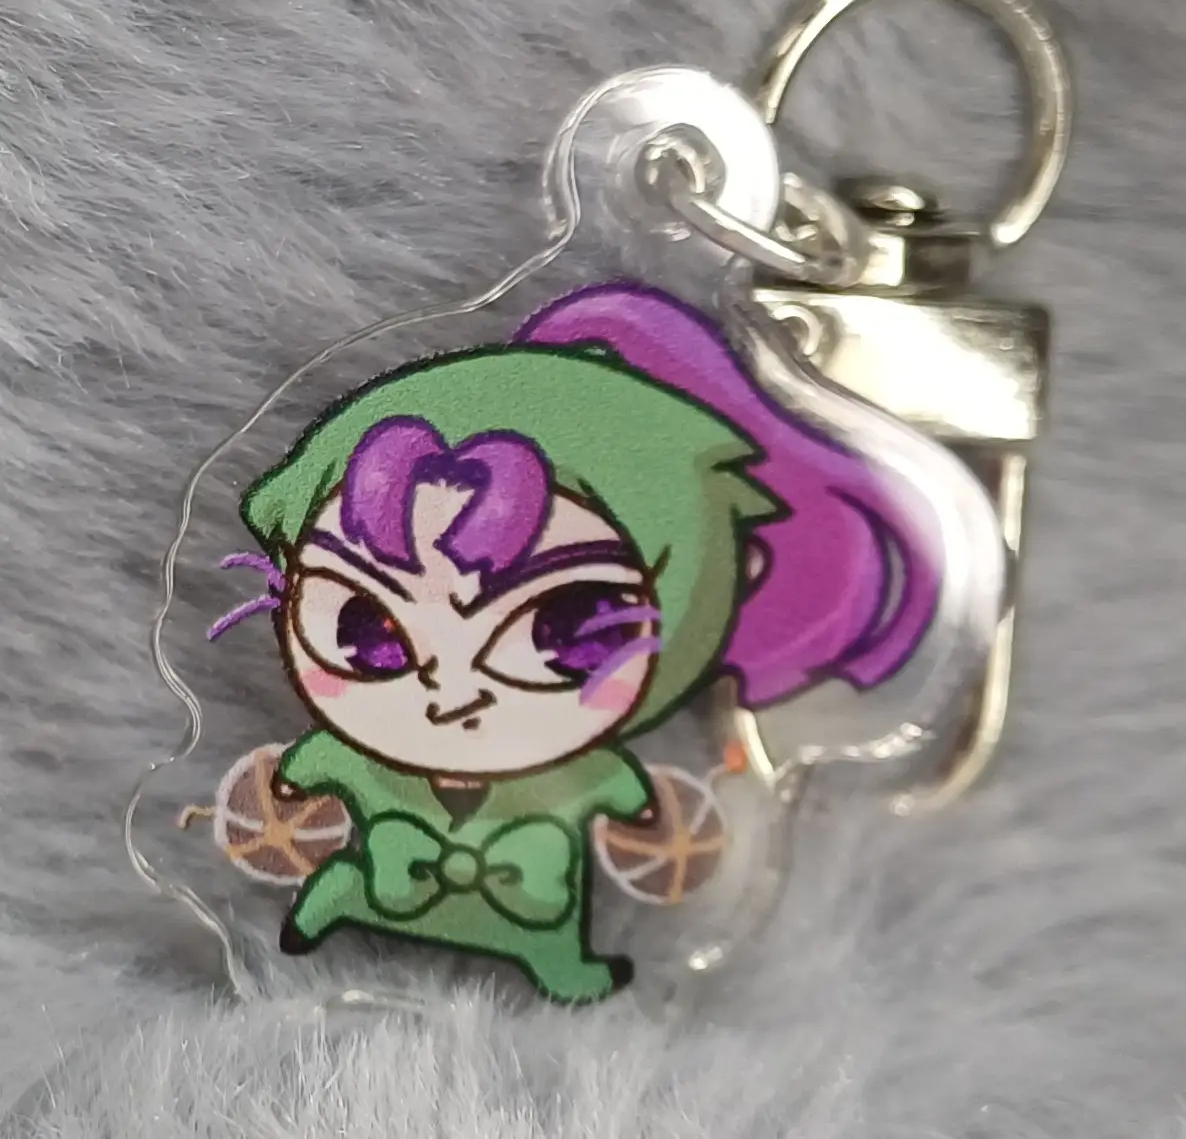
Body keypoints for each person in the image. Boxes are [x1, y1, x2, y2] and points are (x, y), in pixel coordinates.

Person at [212, 281, 938, 1003]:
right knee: (337, 890)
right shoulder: (362, 760)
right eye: (367, 632)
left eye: (563, 633)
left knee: (554, 942)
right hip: (376, 888)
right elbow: (296, 777)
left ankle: (560, 962)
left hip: (537, 914)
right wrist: (274, 797)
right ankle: (332, 903)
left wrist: (666, 833)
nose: (452, 695)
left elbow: (650, 820)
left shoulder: (591, 774)